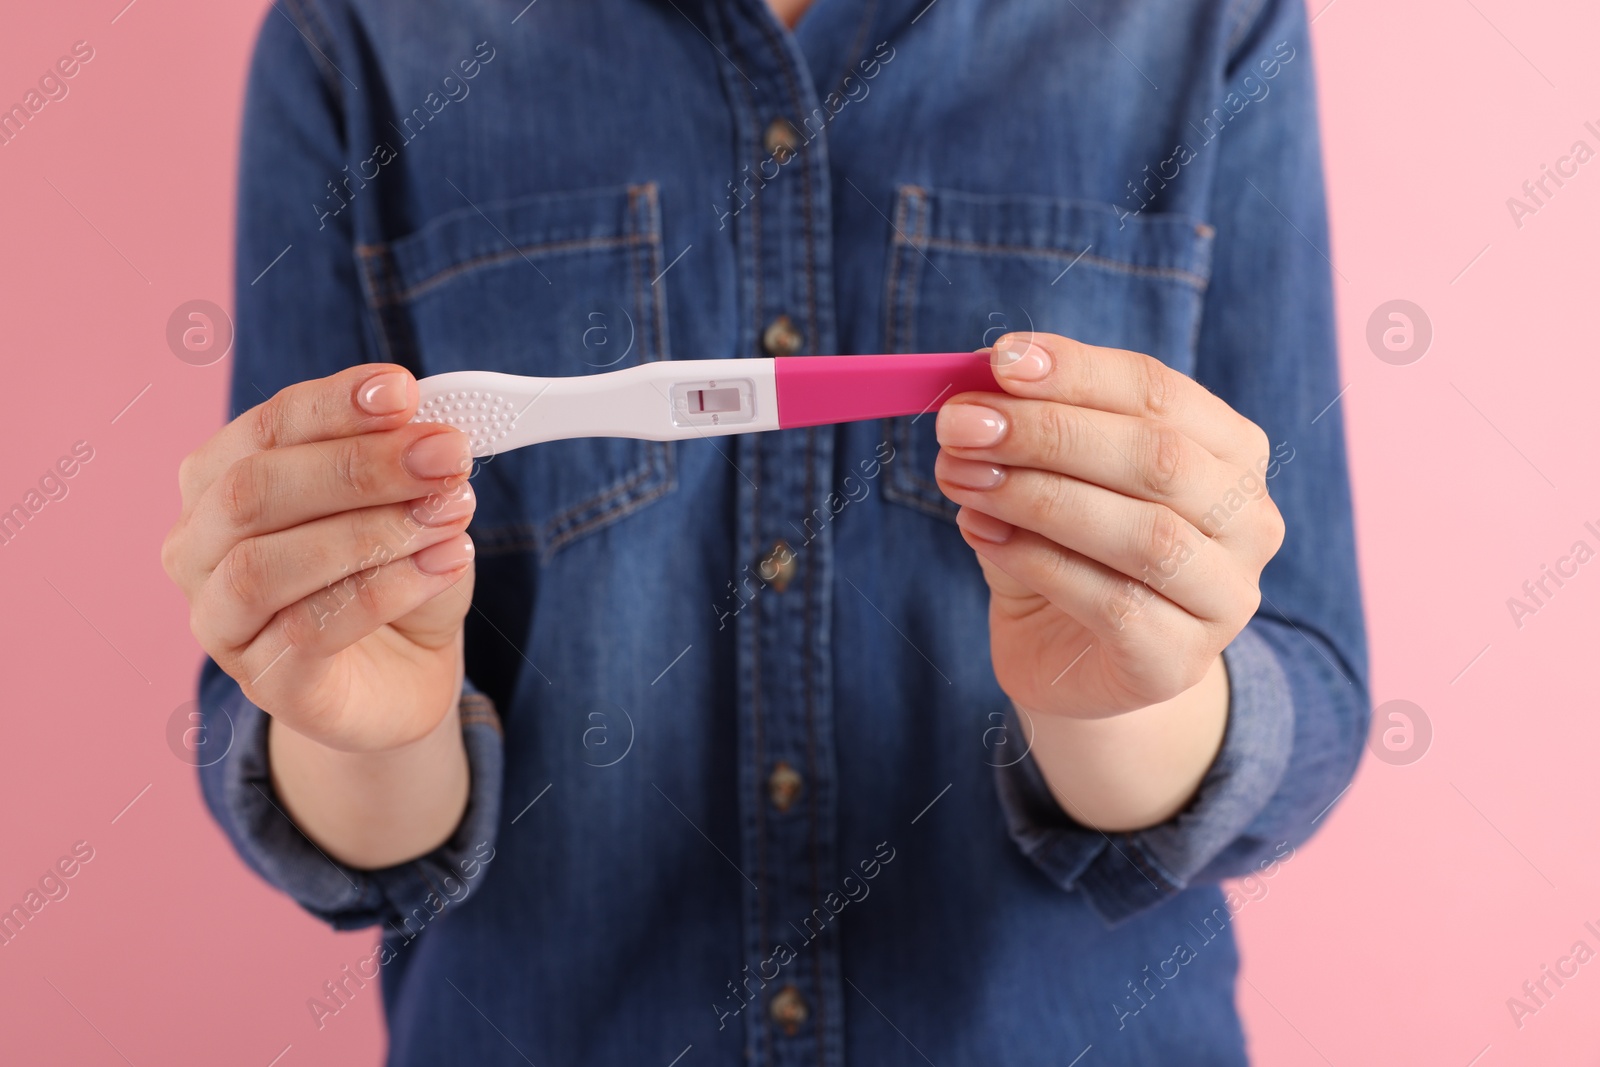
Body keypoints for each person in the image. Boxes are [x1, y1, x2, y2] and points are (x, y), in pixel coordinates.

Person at [160, 0, 1367, 1063]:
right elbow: (300, 753)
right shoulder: (360, 33)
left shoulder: (1205, 19)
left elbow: (1307, 681)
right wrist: (367, 727)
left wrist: (1121, 699)